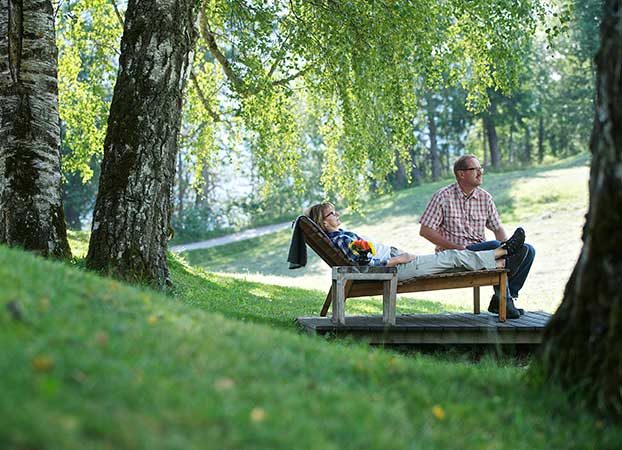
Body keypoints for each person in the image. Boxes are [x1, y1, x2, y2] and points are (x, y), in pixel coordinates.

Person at [305, 202, 528, 293]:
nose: (337, 215)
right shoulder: (340, 240)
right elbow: (363, 265)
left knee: (449, 264)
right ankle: (504, 254)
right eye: (332, 213)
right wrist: (397, 260)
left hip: (395, 265)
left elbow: (361, 259)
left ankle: (502, 262)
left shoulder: (341, 237)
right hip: (392, 271)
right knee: (451, 257)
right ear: (324, 222)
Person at [419, 154, 535, 319]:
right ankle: (503, 300)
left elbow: (497, 227)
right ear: (461, 174)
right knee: (495, 245)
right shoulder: (442, 197)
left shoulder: (485, 198)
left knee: (529, 250)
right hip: (454, 254)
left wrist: (508, 248)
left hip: (483, 252)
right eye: (475, 169)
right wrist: (456, 247)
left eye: (481, 169)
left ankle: (505, 299)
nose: (480, 173)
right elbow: (425, 230)